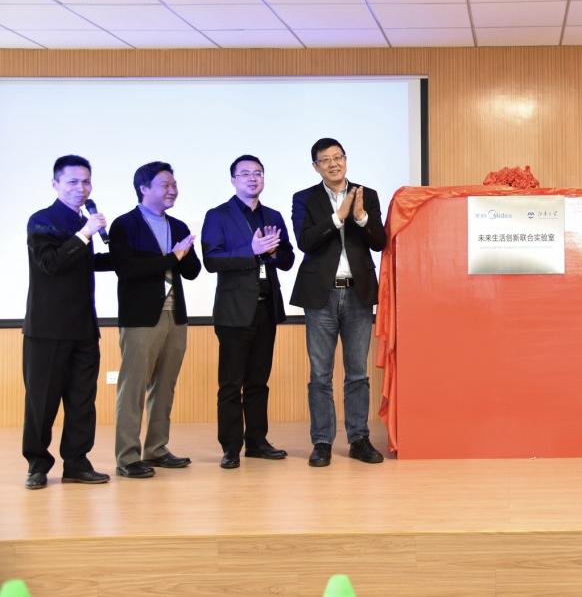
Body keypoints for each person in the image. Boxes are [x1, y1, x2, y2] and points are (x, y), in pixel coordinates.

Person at [291, 138, 387, 466]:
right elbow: (305, 241)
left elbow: (379, 242)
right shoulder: (304, 198)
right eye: (325, 160)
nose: (333, 164)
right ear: (315, 166)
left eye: (338, 157)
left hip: (358, 293)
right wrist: (337, 217)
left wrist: (359, 217)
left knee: (357, 372)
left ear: (346, 159)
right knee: (320, 373)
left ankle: (359, 439)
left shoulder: (366, 194)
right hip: (322, 295)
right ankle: (322, 442)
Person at [23, 155, 113, 489]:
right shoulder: (42, 220)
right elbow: (51, 264)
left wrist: (122, 253)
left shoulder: (83, 222)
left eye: (86, 181)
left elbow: (84, 264)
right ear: (55, 184)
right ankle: (37, 465)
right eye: (73, 181)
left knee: (82, 401)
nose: (81, 188)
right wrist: (86, 233)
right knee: (42, 402)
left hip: (84, 328)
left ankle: (76, 463)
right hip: (47, 329)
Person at [201, 154, 294, 469]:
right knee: (231, 383)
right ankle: (230, 447)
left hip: (267, 307)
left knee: (258, 381)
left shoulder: (273, 215)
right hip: (233, 311)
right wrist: (251, 251)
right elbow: (212, 260)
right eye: (245, 174)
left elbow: (288, 259)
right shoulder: (218, 215)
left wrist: (274, 252)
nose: (252, 178)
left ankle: (257, 441)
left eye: (258, 173)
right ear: (233, 180)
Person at [109, 162, 201, 479]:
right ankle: (127, 457)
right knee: (133, 388)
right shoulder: (125, 225)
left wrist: (185, 253)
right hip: (140, 318)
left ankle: (157, 449)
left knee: (165, 386)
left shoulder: (177, 225)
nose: (172, 190)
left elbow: (192, 271)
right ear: (144, 188)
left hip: (175, 316)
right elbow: (127, 270)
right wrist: (172, 257)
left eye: (174, 184)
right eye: (165, 184)